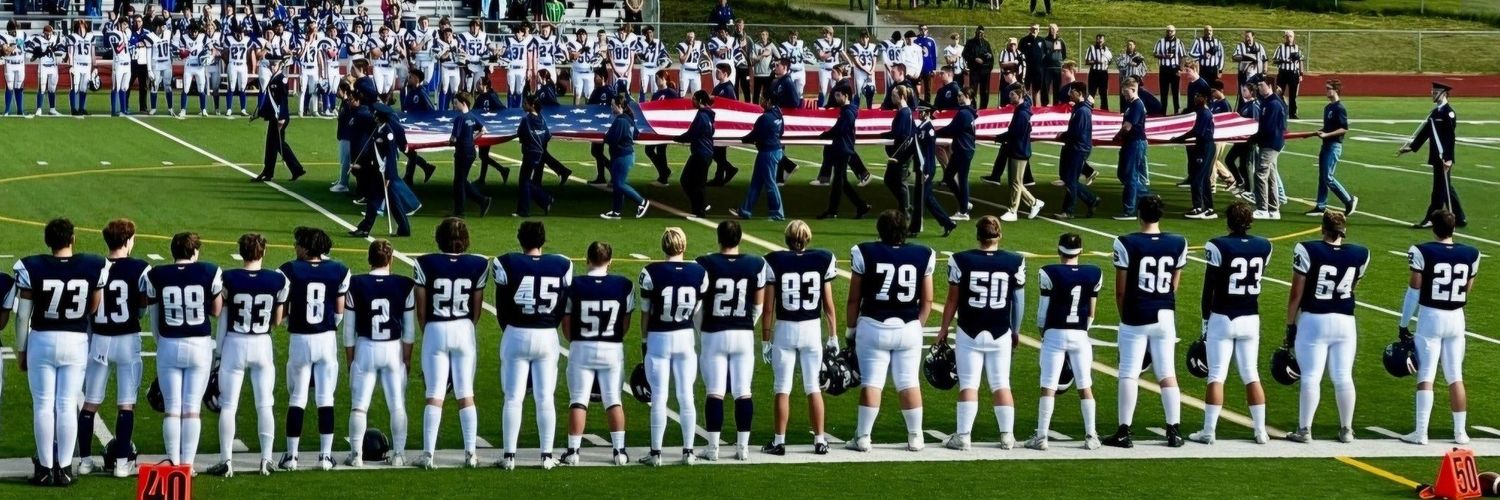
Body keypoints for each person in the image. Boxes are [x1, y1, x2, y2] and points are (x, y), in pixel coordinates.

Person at [14, 219, 107, 486]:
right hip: (75, 340)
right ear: (72, 239)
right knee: (67, 404)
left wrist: (21, 350)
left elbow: (22, 316)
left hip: (42, 339)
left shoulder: (32, 266)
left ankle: (45, 469)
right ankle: (65, 469)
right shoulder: (92, 264)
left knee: (43, 405)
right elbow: (94, 307)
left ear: (48, 241)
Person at [844, 210, 935, 453]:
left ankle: (863, 437)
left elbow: (853, 300)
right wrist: (917, 325)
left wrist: (850, 330)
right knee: (909, 382)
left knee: (872, 382)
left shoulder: (864, 251)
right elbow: (928, 300)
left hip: (873, 326)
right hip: (908, 327)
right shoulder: (923, 253)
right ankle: (915, 437)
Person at [1104, 194, 1188, 449]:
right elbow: (1174, 286)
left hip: (1136, 312)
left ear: (1139, 214)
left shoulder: (1126, 242)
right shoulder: (1178, 242)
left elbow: (1121, 291)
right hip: (1165, 312)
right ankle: (1174, 430)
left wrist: (1126, 317)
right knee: (1167, 373)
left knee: (1129, 373)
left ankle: (1123, 431)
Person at [937, 216, 1024, 451]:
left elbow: (952, 300)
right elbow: (1018, 301)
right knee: (1001, 383)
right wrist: (1016, 330)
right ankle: (1007, 436)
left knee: (968, 384)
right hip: (1000, 330)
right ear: (999, 235)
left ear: (978, 236)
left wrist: (944, 328)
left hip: (969, 330)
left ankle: (963, 436)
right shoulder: (1014, 260)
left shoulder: (961, 259)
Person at [205, 234, 289, 477]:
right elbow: (277, 321)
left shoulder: (228, 277)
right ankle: (266, 460)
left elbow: (221, 315)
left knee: (228, 405)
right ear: (263, 252)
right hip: (262, 343)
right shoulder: (277, 279)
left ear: (241, 252)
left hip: (235, 342)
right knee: (265, 404)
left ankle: (226, 461)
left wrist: (218, 355)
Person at [1190, 202, 1272, 445]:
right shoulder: (1264, 246)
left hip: (1223, 316)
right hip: (1250, 317)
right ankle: (1260, 431)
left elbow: (1209, 288)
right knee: (1251, 373)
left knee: (1216, 375)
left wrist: (1205, 321)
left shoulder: (1218, 245)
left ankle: (1209, 431)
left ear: (1228, 221)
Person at [492, 221, 572, 470]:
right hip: (547, 334)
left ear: (520, 239)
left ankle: (509, 456)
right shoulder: (562, 264)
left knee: (513, 397)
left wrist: (511, 328)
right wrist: (548, 324)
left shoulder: (507, 262)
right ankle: (546, 456)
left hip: (516, 332)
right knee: (545, 397)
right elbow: (562, 305)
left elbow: (502, 306)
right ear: (543, 240)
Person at [410, 217, 488, 469]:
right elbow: (477, 309)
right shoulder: (478, 263)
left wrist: (429, 331)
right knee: (466, 393)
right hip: (464, 328)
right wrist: (465, 327)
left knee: (434, 394)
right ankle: (471, 454)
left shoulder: (425, 262)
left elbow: (421, 309)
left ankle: (428, 455)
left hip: (435, 327)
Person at [1285, 212, 1369, 444]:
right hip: (1345, 322)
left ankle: (1305, 429)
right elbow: (1352, 285)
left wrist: (1290, 324)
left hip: (1314, 320)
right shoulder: (1360, 253)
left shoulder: (1308, 249)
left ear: (1322, 228)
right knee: (1343, 376)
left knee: (1311, 375)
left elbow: (1296, 293)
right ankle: (1347, 429)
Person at [144, 232, 223, 474]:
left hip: (169, 343)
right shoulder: (210, 271)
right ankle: (187, 465)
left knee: (172, 408)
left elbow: (154, 316)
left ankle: (173, 461)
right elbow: (217, 311)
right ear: (195, 251)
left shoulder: (156, 274)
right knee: (191, 409)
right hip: (199, 345)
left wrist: (161, 342)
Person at [1399, 210, 1478, 446]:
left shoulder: (1422, 251)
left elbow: (1414, 291)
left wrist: (1403, 324)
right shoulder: (1471, 253)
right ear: (1453, 228)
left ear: (1433, 227)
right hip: (1456, 317)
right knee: (1455, 376)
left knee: (1426, 375)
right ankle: (1460, 433)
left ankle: (1421, 433)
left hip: (1431, 317)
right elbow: (1467, 288)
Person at [75, 220, 148, 478]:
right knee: (126, 404)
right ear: (127, 240)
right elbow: (142, 307)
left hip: (100, 340)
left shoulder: (94, 266)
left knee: (90, 404)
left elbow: (89, 307)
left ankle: (85, 461)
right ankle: (121, 464)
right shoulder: (140, 268)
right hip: (127, 339)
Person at [276, 227, 350, 472]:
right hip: (326, 338)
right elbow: (339, 312)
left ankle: (292, 456)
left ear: (306, 248)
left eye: (298, 243)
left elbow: (282, 309)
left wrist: (292, 321)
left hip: (300, 339)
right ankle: (325, 457)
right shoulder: (339, 269)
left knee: (298, 397)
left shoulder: (288, 270)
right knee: (325, 398)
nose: (295, 247)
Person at [694, 221, 768, 461]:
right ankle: (742, 448)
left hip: (714, 332)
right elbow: (758, 306)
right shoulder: (756, 263)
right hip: (743, 334)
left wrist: (703, 331)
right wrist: (746, 324)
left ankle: (713, 448)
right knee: (743, 392)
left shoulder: (704, 263)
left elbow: (697, 307)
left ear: (718, 238)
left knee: (715, 392)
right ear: (740, 238)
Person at [762, 221, 838, 456]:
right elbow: (828, 305)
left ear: (787, 238)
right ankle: (820, 440)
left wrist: (765, 339)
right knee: (813, 386)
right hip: (811, 330)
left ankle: (779, 441)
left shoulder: (774, 260)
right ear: (807, 238)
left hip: (785, 330)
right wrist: (833, 335)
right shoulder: (822, 258)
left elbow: (768, 308)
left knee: (782, 388)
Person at [1024, 233, 1103, 451]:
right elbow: (1091, 312)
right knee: (1085, 386)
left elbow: (1042, 313)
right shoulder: (1094, 272)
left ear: (1059, 250)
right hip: (1080, 335)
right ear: (1081, 251)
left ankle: (1041, 437)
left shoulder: (1049, 272)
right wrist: (1081, 331)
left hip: (1055, 333)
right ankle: (1091, 436)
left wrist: (1045, 335)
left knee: (1048, 386)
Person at [340, 241, 415, 468]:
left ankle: (356, 455)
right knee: (397, 404)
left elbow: (348, 331)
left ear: (369, 259)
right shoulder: (404, 284)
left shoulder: (355, 284)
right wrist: (407, 358)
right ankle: (399, 454)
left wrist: (351, 360)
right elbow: (409, 331)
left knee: (359, 405)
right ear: (390, 259)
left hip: (366, 347)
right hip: (393, 348)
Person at [638, 227, 709, 466]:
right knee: (686, 394)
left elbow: (646, 313)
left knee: (659, 396)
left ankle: (656, 453)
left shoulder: (651, 272)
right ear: (684, 246)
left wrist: (644, 340)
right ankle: (688, 452)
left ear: (663, 246)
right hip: (685, 336)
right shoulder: (699, 272)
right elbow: (696, 309)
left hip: (658, 337)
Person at [561, 241, 634, 466]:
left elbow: (566, 325)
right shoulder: (623, 285)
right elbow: (625, 323)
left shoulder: (574, 285)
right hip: (612, 348)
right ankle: (619, 452)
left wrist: (576, 341)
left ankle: (573, 452)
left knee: (578, 399)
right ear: (610, 261)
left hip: (582, 346)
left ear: (587, 259)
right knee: (613, 399)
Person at [1399, 82, 1465, 229]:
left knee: (1438, 190)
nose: (1432, 95)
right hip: (1436, 156)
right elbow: (1426, 132)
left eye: (1435, 92)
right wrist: (1411, 147)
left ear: (1444, 94)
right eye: (1432, 92)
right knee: (1445, 187)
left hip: (1443, 157)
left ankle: (1431, 219)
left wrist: (1449, 158)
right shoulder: (1435, 113)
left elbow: (1450, 138)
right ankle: (1460, 218)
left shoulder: (1449, 113)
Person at [816, 88, 871, 220]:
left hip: (843, 149)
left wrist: (826, 134)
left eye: (838, 95)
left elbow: (840, 129)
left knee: (838, 181)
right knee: (842, 182)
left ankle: (833, 210)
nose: (836, 98)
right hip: (842, 148)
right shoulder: (847, 111)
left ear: (846, 96)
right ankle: (861, 206)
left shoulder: (847, 112)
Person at [1307, 79, 1358, 216]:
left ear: (1336, 90)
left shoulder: (1339, 108)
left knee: (1327, 177)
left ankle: (1348, 199)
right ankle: (1321, 205)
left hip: (1334, 145)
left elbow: (1343, 128)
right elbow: (1327, 128)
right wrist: (1316, 132)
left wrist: (1327, 134)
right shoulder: (1328, 108)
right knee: (1322, 177)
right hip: (1326, 144)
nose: (1326, 91)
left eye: (1329, 88)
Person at [730, 96, 786, 221]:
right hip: (773, 150)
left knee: (770, 183)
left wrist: (744, 139)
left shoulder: (765, 118)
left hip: (767, 153)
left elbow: (755, 134)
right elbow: (781, 132)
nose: (761, 101)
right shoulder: (778, 115)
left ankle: (777, 213)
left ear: (769, 100)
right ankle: (745, 210)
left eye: (763, 99)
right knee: (756, 182)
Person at [252, 59, 307, 182]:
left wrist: (281, 117)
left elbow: (283, 100)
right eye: (271, 65)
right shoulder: (274, 78)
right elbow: (270, 100)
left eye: (275, 65)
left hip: (280, 118)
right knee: (272, 145)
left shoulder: (282, 79)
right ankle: (270, 172)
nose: (272, 67)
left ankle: (294, 169)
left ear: (280, 66)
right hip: (274, 117)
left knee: (278, 144)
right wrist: (259, 114)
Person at [1169, 88, 1217, 220]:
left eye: (1199, 95)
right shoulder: (1202, 111)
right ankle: (1209, 208)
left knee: (1197, 178)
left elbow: (1197, 131)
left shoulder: (1204, 113)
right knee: (1204, 178)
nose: (1196, 97)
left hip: (1205, 147)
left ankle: (1198, 207)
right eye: (1195, 95)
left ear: (1205, 98)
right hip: (1205, 145)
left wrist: (1179, 139)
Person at [909, 106, 956, 237]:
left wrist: (926, 171)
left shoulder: (929, 129)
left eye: (922, 112)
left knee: (919, 200)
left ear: (927, 113)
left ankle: (914, 229)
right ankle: (948, 223)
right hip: (922, 168)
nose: (919, 114)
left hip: (926, 169)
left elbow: (929, 153)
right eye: (919, 112)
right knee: (928, 199)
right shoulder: (921, 127)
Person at [1054, 82, 1099, 220]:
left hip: (1078, 148)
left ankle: (1068, 211)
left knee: (1071, 180)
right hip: (1074, 147)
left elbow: (1077, 132)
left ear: (1079, 93)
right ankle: (1091, 200)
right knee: (1068, 179)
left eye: (1072, 91)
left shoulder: (1082, 111)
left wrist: (1063, 135)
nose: (1070, 94)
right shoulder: (1080, 108)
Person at [602, 95, 650, 219]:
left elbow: (612, 139)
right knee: (617, 183)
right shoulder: (628, 119)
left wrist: (606, 136)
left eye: (613, 105)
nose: (611, 107)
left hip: (622, 155)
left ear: (619, 106)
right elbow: (636, 134)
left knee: (619, 184)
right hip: (625, 154)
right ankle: (616, 211)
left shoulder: (621, 121)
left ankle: (642, 202)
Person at [448, 92, 493, 218]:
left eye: (456, 103)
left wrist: (451, 142)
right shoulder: (472, 117)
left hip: (462, 152)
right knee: (461, 180)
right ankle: (480, 201)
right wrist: (472, 138)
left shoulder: (459, 119)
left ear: (463, 103)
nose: (454, 105)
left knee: (459, 182)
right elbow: (483, 130)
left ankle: (461, 210)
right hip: (470, 151)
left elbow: (453, 138)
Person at [673, 90, 716, 217]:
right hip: (705, 152)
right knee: (695, 182)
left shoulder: (702, 116)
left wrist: (676, 138)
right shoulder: (709, 114)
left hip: (700, 153)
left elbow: (692, 134)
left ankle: (700, 208)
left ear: (700, 100)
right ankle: (699, 207)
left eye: (694, 98)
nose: (692, 101)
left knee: (689, 181)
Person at [1249, 76, 1286, 220]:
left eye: (1261, 85)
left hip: (1270, 143)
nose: (1259, 88)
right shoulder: (1268, 102)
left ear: (1270, 86)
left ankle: (1262, 208)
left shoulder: (1273, 104)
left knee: (1260, 174)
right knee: (1270, 175)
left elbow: (1268, 127)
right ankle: (1273, 209)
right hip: (1270, 142)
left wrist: (1255, 138)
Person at [937, 89, 977, 221]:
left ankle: (964, 210)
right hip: (965, 148)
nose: (958, 98)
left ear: (968, 96)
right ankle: (964, 203)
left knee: (960, 179)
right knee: (950, 177)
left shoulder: (964, 113)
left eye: (961, 96)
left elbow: (952, 129)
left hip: (963, 149)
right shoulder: (969, 112)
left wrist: (935, 132)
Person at [1112, 79, 1149, 220]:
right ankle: (1147, 197)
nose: (1123, 94)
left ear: (1133, 89)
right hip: (1130, 142)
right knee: (1123, 174)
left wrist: (1117, 136)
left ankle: (1130, 210)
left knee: (1130, 176)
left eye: (1125, 91)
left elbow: (1128, 126)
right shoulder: (1131, 104)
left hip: (1135, 142)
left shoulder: (1137, 105)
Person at [514, 94, 556, 217]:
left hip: (529, 152)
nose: (523, 105)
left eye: (525, 103)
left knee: (524, 181)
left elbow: (520, 134)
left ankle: (524, 210)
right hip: (539, 152)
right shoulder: (541, 118)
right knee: (526, 181)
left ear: (532, 105)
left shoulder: (526, 119)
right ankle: (545, 200)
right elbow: (547, 135)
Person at [707, 63, 741, 187]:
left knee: (717, 151)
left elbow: (733, 106)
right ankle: (719, 177)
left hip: (723, 125)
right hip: (717, 123)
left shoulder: (728, 88)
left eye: (718, 72)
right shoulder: (718, 87)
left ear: (725, 73)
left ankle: (728, 170)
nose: (716, 73)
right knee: (719, 152)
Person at [644, 75, 678, 187]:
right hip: (656, 126)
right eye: (656, 78)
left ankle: (663, 178)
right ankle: (664, 171)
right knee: (649, 149)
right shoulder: (655, 95)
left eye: (659, 78)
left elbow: (677, 108)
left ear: (664, 79)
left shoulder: (671, 93)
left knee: (660, 150)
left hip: (666, 126)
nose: (657, 80)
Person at [1153, 26, 1186, 114]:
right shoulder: (1160, 41)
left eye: (1171, 31)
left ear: (1175, 32)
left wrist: (1180, 69)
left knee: (1176, 91)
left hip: (1175, 69)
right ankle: (1163, 111)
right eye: (1168, 31)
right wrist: (1164, 56)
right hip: (1164, 69)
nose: (1169, 33)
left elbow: (1183, 56)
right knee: (1163, 91)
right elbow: (1155, 53)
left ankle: (1177, 111)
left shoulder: (1179, 42)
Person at [1272, 30, 1304, 119]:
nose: (1289, 38)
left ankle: (1292, 113)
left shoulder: (1297, 48)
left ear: (1293, 38)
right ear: (1284, 37)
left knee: (1293, 95)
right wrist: (1283, 60)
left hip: (1293, 74)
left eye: (1290, 36)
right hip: (1283, 72)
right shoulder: (1280, 47)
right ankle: (1279, 111)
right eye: (1287, 36)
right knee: (1279, 93)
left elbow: (1301, 61)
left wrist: (1301, 74)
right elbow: (1274, 60)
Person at [962, 27, 993, 108]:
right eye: (978, 32)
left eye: (981, 33)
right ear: (975, 32)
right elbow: (964, 54)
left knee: (985, 91)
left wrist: (989, 67)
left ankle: (983, 108)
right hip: (974, 71)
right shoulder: (970, 43)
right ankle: (973, 107)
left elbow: (991, 57)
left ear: (984, 34)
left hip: (985, 71)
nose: (980, 34)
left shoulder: (986, 43)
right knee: (973, 91)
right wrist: (974, 59)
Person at [1083, 33, 1111, 111]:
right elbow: (1087, 61)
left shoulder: (1107, 49)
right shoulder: (1091, 48)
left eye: (1101, 40)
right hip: (1094, 73)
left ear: (1104, 40)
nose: (1099, 41)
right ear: (1096, 40)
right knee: (1091, 92)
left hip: (1103, 73)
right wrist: (1097, 61)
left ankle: (1105, 110)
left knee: (1103, 93)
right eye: (1098, 39)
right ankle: (1089, 109)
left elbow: (1110, 60)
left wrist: (1106, 62)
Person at [1041, 25, 1066, 106]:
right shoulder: (1045, 41)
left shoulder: (1061, 41)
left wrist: (1058, 60)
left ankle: (1056, 105)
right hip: (1047, 68)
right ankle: (1045, 105)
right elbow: (1042, 53)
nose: (1052, 30)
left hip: (1057, 68)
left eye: (1054, 28)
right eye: (1050, 28)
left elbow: (1064, 54)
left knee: (1057, 88)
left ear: (1057, 30)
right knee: (1045, 88)